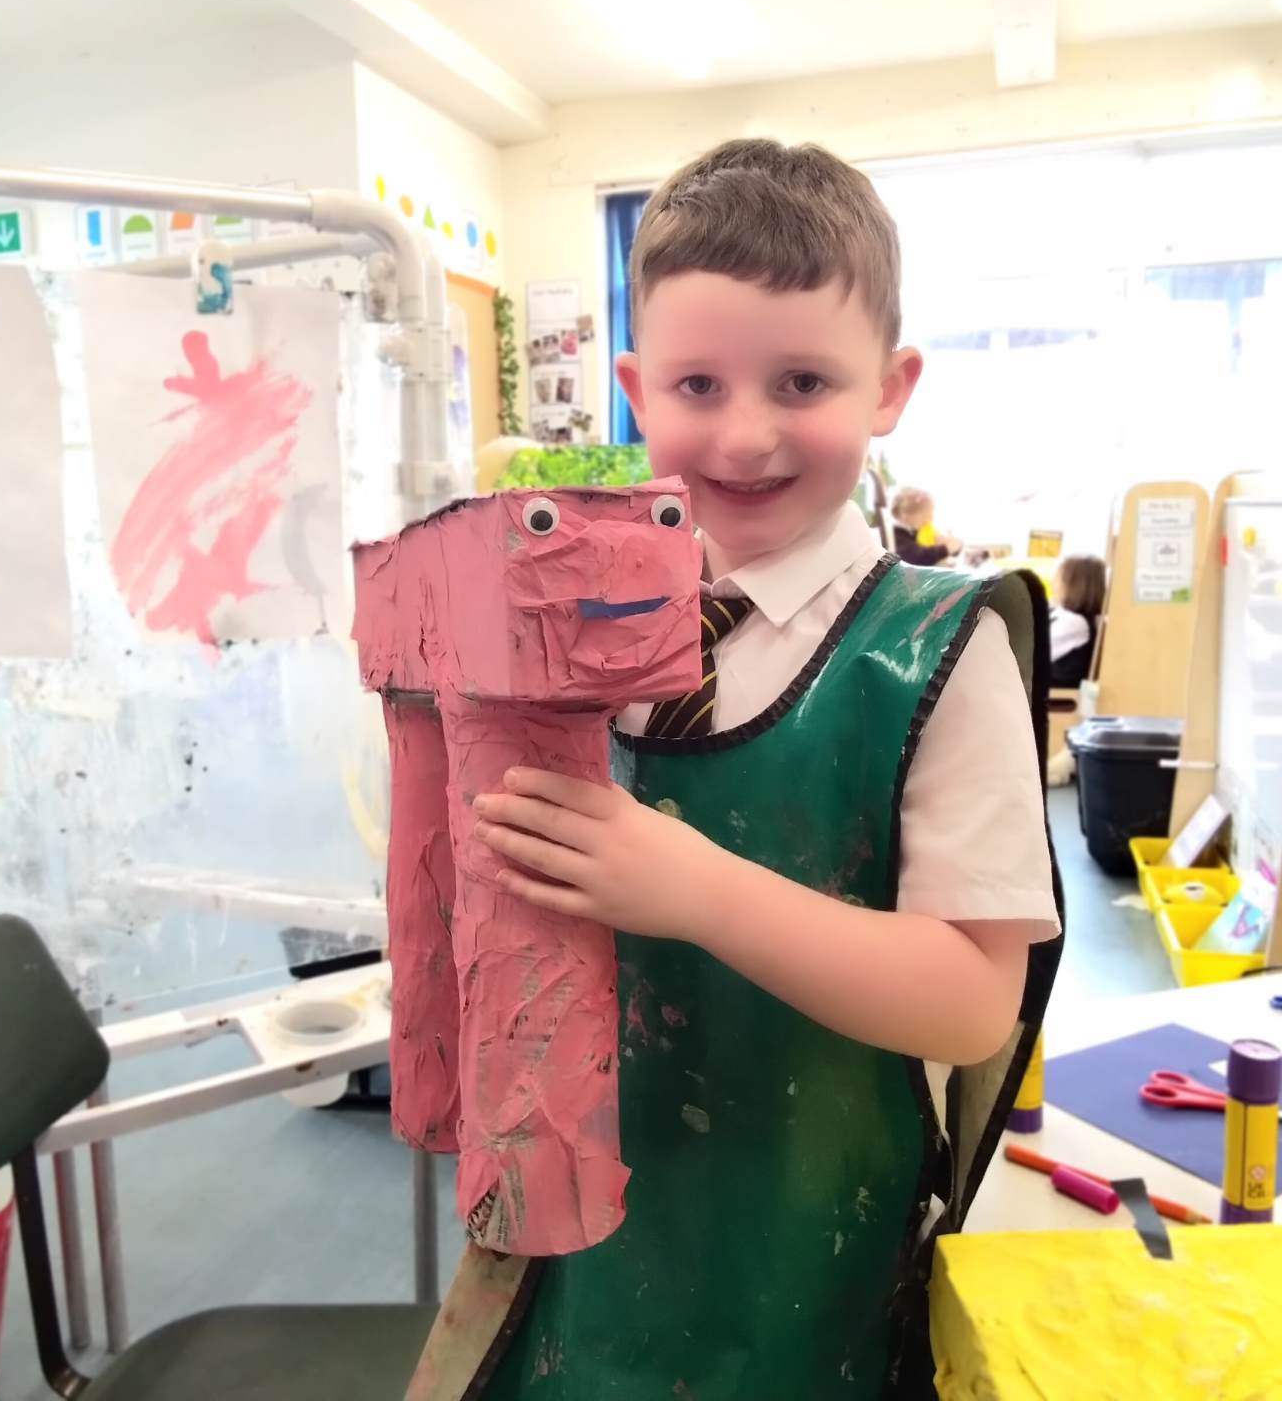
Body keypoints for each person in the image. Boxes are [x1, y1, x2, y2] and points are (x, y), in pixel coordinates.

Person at [464, 138, 1061, 1396]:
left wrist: (694, 889)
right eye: (698, 384)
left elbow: (971, 1002)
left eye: (802, 382)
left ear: (890, 387)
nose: (744, 437)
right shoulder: (572, 619)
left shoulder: (941, 655)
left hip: (801, 1261)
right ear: (637, 389)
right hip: (577, 1245)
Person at [1049, 554, 1106, 689]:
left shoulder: (1075, 623)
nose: (1053, 584)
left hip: (1054, 695)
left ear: (1073, 585)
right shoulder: (1072, 618)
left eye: (1059, 579)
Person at [890, 485, 961, 565]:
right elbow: (915, 557)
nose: (929, 520)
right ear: (906, 514)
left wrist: (943, 543)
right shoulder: (894, 535)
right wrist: (945, 549)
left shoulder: (913, 532)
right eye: (926, 515)